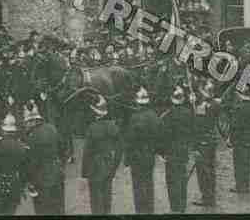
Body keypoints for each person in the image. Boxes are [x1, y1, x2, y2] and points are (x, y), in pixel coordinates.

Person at [81, 94, 123, 214]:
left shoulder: (92, 128)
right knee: (106, 196)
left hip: (94, 167)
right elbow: (120, 149)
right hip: (109, 164)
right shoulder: (113, 126)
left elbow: (87, 153)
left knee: (95, 199)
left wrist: (84, 173)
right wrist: (115, 166)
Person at [24, 102, 65, 215]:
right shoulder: (52, 128)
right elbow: (63, 148)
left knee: (42, 211)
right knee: (59, 209)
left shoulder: (31, 137)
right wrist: (60, 164)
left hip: (41, 180)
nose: (25, 125)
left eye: (26, 122)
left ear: (32, 121)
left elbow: (31, 163)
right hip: (57, 174)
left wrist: (30, 182)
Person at [124, 86, 161, 214]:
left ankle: (140, 211)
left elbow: (130, 140)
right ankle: (150, 210)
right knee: (149, 182)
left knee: (138, 185)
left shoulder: (134, 118)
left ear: (137, 102)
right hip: (149, 155)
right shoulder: (154, 116)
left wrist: (127, 160)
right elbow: (158, 136)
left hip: (136, 156)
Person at [159, 85, 195, 213]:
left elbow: (164, 136)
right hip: (183, 150)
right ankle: (182, 206)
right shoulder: (189, 113)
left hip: (172, 152)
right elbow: (192, 131)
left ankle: (175, 208)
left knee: (172, 180)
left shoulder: (168, 115)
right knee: (181, 178)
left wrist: (162, 152)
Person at [193, 79, 221, 206]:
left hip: (202, 141)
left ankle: (207, 198)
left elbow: (198, 124)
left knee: (203, 171)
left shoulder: (201, 107)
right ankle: (211, 196)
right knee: (210, 169)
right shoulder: (215, 104)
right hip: (212, 140)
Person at [229, 85, 250, 193]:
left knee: (239, 163)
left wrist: (231, 139)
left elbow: (235, 125)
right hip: (249, 138)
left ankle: (240, 186)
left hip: (239, 139)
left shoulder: (239, 108)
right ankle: (246, 185)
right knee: (246, 163)